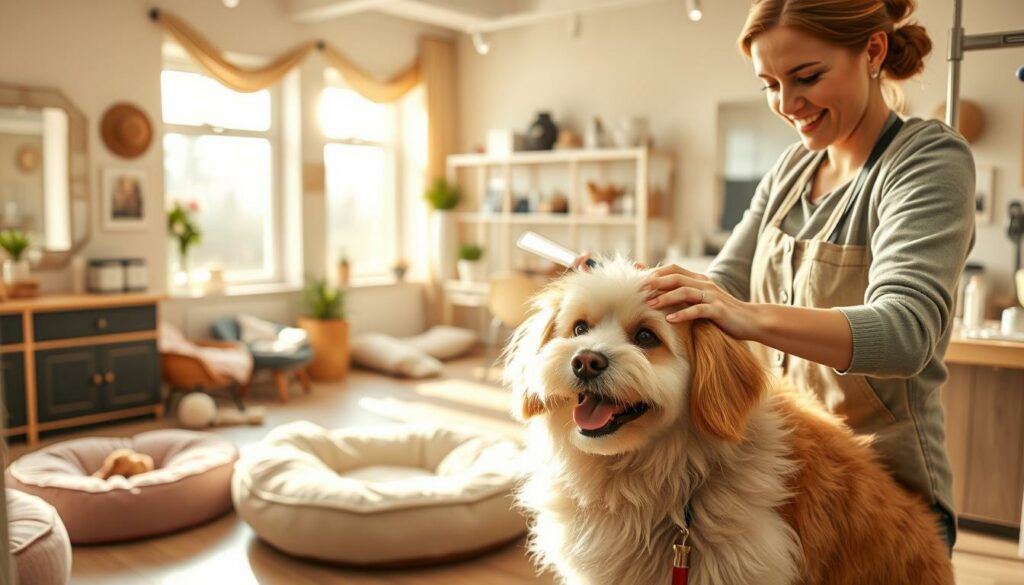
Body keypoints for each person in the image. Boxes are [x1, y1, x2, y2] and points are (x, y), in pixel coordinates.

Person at [608, 0, 972, 554]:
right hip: (788, 477)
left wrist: (747, 317)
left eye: (807, 77)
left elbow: (905, 332)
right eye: (769, 84)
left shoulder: (927, 159)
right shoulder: (789, 172)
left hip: (885, 498)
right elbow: (722, 282)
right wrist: (641, 290)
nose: (786, 103)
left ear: (873, 51)